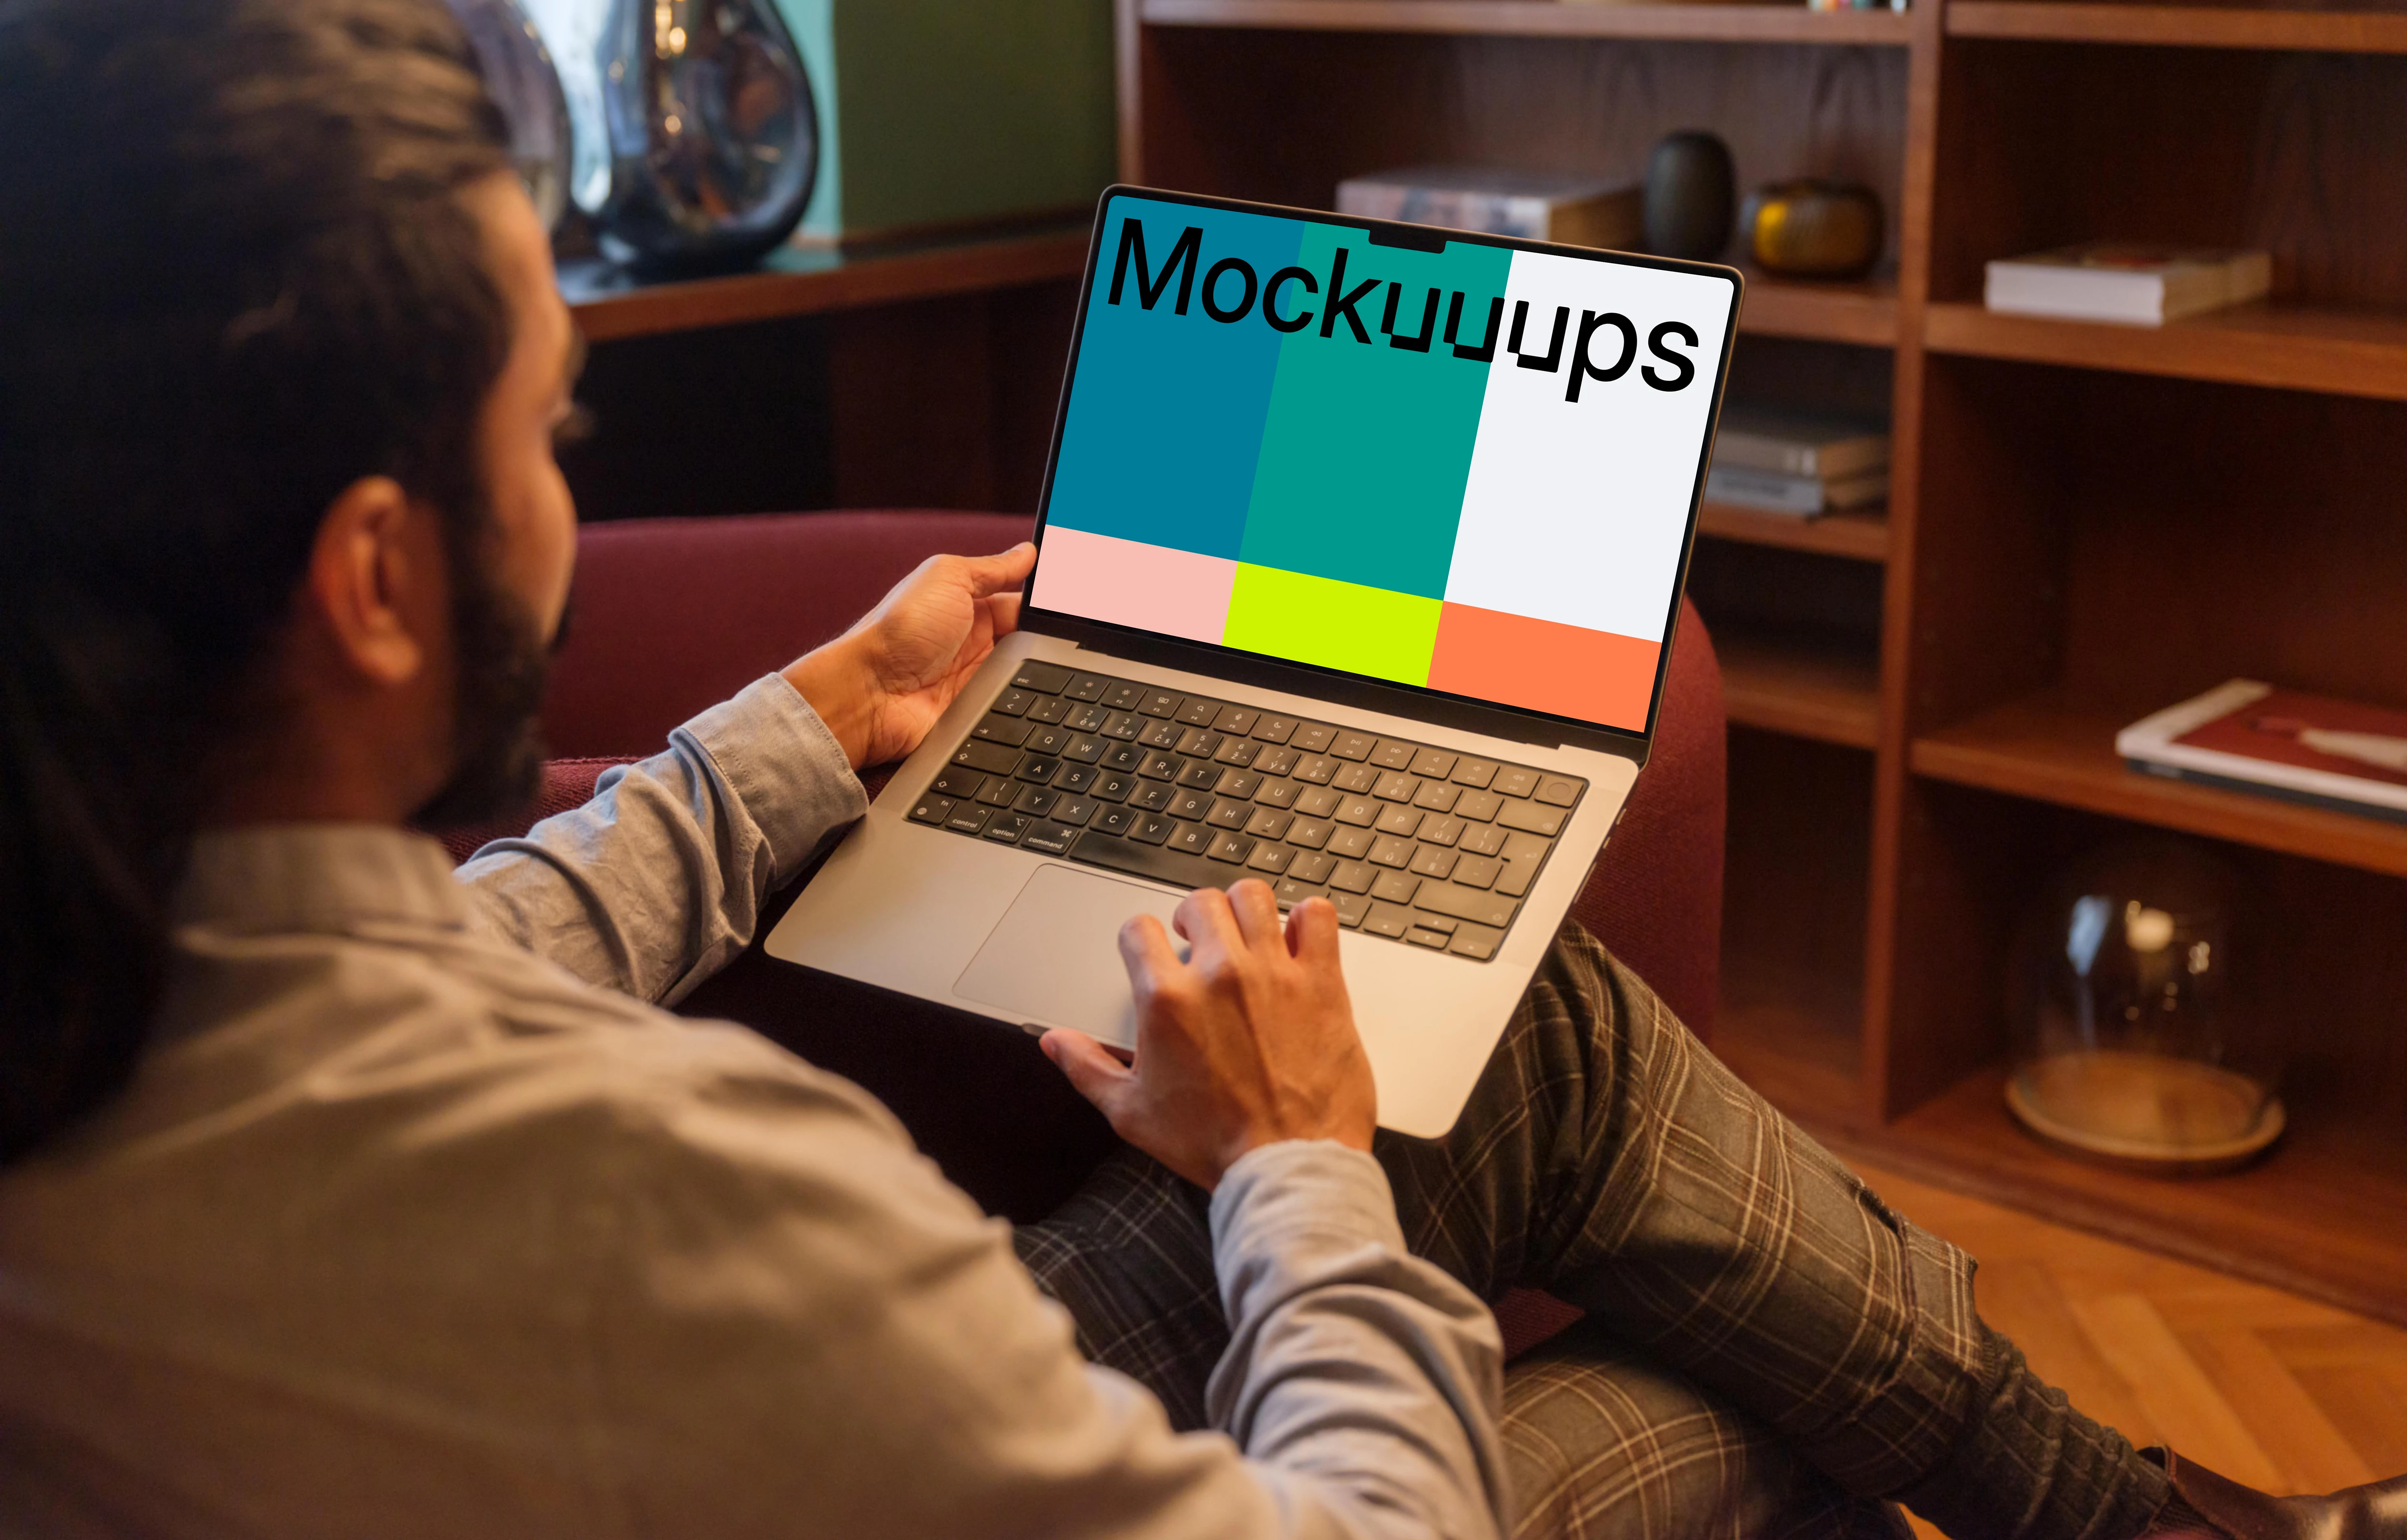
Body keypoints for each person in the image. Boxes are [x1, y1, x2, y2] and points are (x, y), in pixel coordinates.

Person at [0, 2, 2399, 1536]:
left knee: (1536, 1047)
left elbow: (448, 938)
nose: (571, 483)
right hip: (739, 1420)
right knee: (1751, 1435)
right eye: (554, 430)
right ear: (378, 578)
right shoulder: (669, 1199)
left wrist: (808, 729)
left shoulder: (88, 974)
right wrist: (1292, 1165)